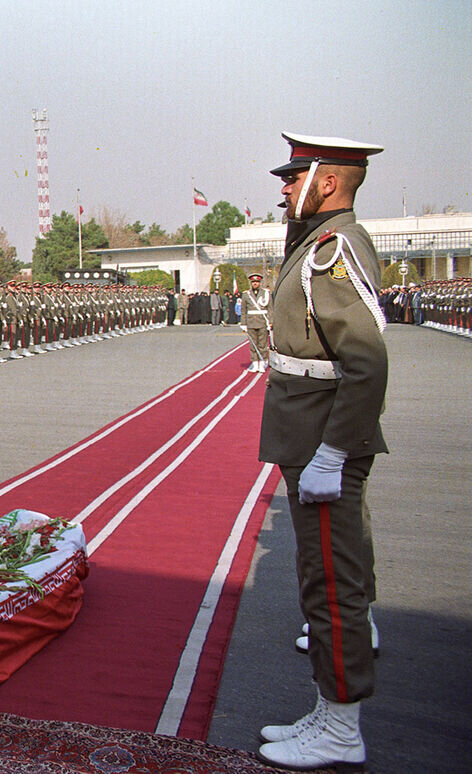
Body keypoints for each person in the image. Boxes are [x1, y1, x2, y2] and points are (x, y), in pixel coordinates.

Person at [256, 132, 387, 771]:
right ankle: (329, 710)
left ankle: (341, 728)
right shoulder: (313, 242)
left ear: (326, 182)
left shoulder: (332, 249)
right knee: (322, 578)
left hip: (321, 436)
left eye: (294, 177)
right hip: (308, 432)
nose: (283, 188)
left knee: (333, 587)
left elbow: (364, 362)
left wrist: (336, 451)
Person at [242, 274, 271, 373]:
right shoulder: (246, 294)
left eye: (257, 282)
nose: (255, 283)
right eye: (253, 282)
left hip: (262, 322)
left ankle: (262, 362)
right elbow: (243, 310)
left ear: (260, 283)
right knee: (253, 344)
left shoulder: (266, 293)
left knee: (262, 344)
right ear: (251, 283)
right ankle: (255, 363)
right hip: (251, 322)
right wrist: (243, 323)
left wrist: (271, 322)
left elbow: (270, 309)